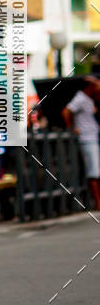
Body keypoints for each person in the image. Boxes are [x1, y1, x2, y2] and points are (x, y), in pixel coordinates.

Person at [61, 77, 100, 211]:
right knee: (93, 171)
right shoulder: (81, 98)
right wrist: (72, 127)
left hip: (93, 136)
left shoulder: (89, 100)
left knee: (95, 169)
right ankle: (97, 202)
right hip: (87, 138)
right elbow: (66, 111)